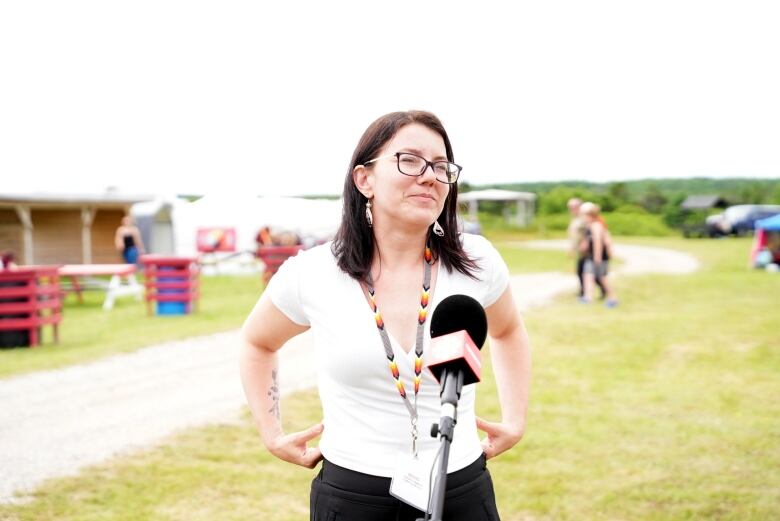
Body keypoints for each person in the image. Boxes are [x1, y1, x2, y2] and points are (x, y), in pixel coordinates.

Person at [240, 110, 531, 520]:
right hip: (353, 493)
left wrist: (515, 418)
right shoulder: (313, 273)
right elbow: (257, 342)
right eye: (409, 160)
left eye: (442, 166)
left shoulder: (478, 261)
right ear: (365, 179)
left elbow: (509, 331)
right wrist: (271, 432)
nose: (430, 176)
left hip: (459, 485)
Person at [579, 202, 618, 307]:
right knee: (587, 275)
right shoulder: (589, 225)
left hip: (599, 257)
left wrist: (597, 257)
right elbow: (589, 240)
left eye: (584, 215)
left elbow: (598, 242)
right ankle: (587, 297)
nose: (583, 217)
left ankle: (613, 299)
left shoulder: (596, 225)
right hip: (590, 256)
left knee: (602, 277)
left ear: (590, 215)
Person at [567, 198, 605, 299]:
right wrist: (572, 248)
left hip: (587, 251)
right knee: (583, 272)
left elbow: (589, 234)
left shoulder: (585, 218)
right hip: (580, 251)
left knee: (589, 273)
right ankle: (584, 292)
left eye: (573, 207)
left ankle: (601, 290)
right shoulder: (575, 219)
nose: (571, 209)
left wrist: (586, 243)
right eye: (570, 208)